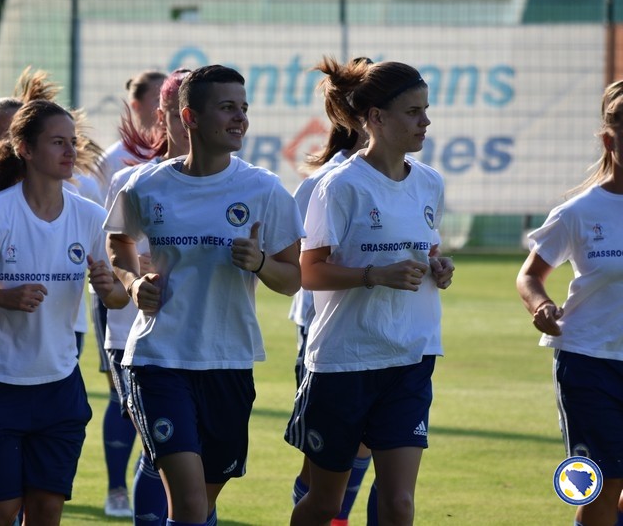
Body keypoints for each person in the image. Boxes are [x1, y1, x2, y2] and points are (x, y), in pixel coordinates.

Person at [105, 64, 304, 526]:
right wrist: (133, 283)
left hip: (228, 363)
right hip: (158, 360)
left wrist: (259, 262)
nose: (240, 118)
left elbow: (292, 279)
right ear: (189, 117)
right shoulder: (146, 185)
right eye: (227, 108)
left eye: (244, 108)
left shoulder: (264, 189)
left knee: (203, 507)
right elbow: (119, 241)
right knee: (190, 504)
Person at [0, 99, 127, 526]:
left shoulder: (90, 216)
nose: (70, 151)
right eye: (58, 142)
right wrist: (3, 297)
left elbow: (119, 298)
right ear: (25, 149)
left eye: (72, 141)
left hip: (59, 386)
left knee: (46, 510)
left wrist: (110, 288)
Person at [284, 57, 454, 526]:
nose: (425, 121)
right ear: (376, 117)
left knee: (399, 503)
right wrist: (374, 275)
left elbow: (427, 248)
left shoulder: (430, 182)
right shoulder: (339, 186)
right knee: (325, 504)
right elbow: (308, 272)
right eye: (413, 111)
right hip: (345, 362)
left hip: (411, 358)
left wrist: (439, 267)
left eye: (426, 109)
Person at [516, 79, 623, 526]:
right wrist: (541, 306)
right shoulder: (578, 213)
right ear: (609, 141)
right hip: (590, 361)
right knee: (603, 485)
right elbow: (530, 276)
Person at [104, 67, 191, 525]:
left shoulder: (239, 183)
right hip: (134, 336)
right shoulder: (134, 179)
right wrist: (135, 277)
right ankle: (117, 489)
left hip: (206, 345)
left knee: (188, 459)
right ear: (164, 117)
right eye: (178, 112)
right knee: (159, 446)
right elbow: (111, 249)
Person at [287, 75, 374, 524]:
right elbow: (299, 265)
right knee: (324, 461)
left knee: (365, 447)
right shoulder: (321, 183)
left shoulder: (409, 177)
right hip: (323, 332)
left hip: (383, 334)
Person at [95, 68, 166, 519]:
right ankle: (117, 488)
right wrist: (128, 275)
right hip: (121, 297)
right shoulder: (116, 163)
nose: (163, 111)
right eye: (156, 101)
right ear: (137, 106)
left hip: (174, 311)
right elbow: (106, 234)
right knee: (124, 402)